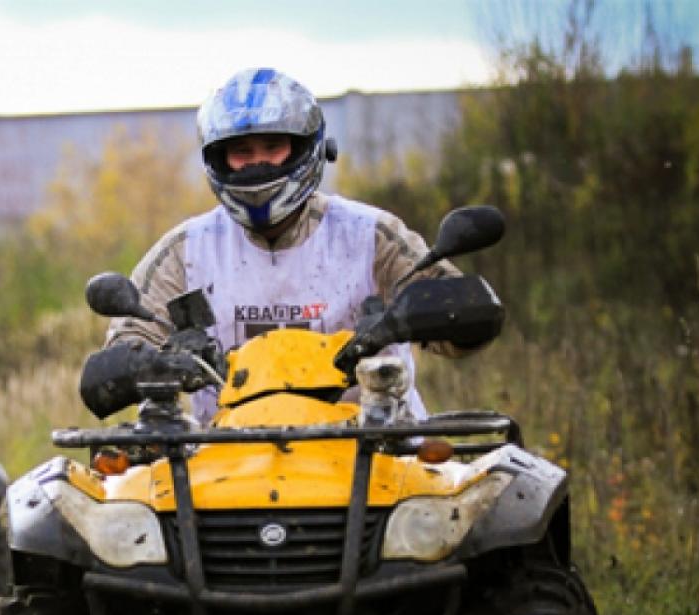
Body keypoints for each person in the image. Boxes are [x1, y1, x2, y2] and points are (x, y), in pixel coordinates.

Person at [79, 67, 501, 423]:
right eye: (241, 151)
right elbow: (123, 347)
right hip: (224, 463)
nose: (257, 161)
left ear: (305, 148)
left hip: (378, 449)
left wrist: (423, 315)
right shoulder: (186, 251)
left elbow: (464, 325)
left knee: (498, 500)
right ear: (218, 159)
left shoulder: (370, 234)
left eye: (272, 146)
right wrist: (150, 363)